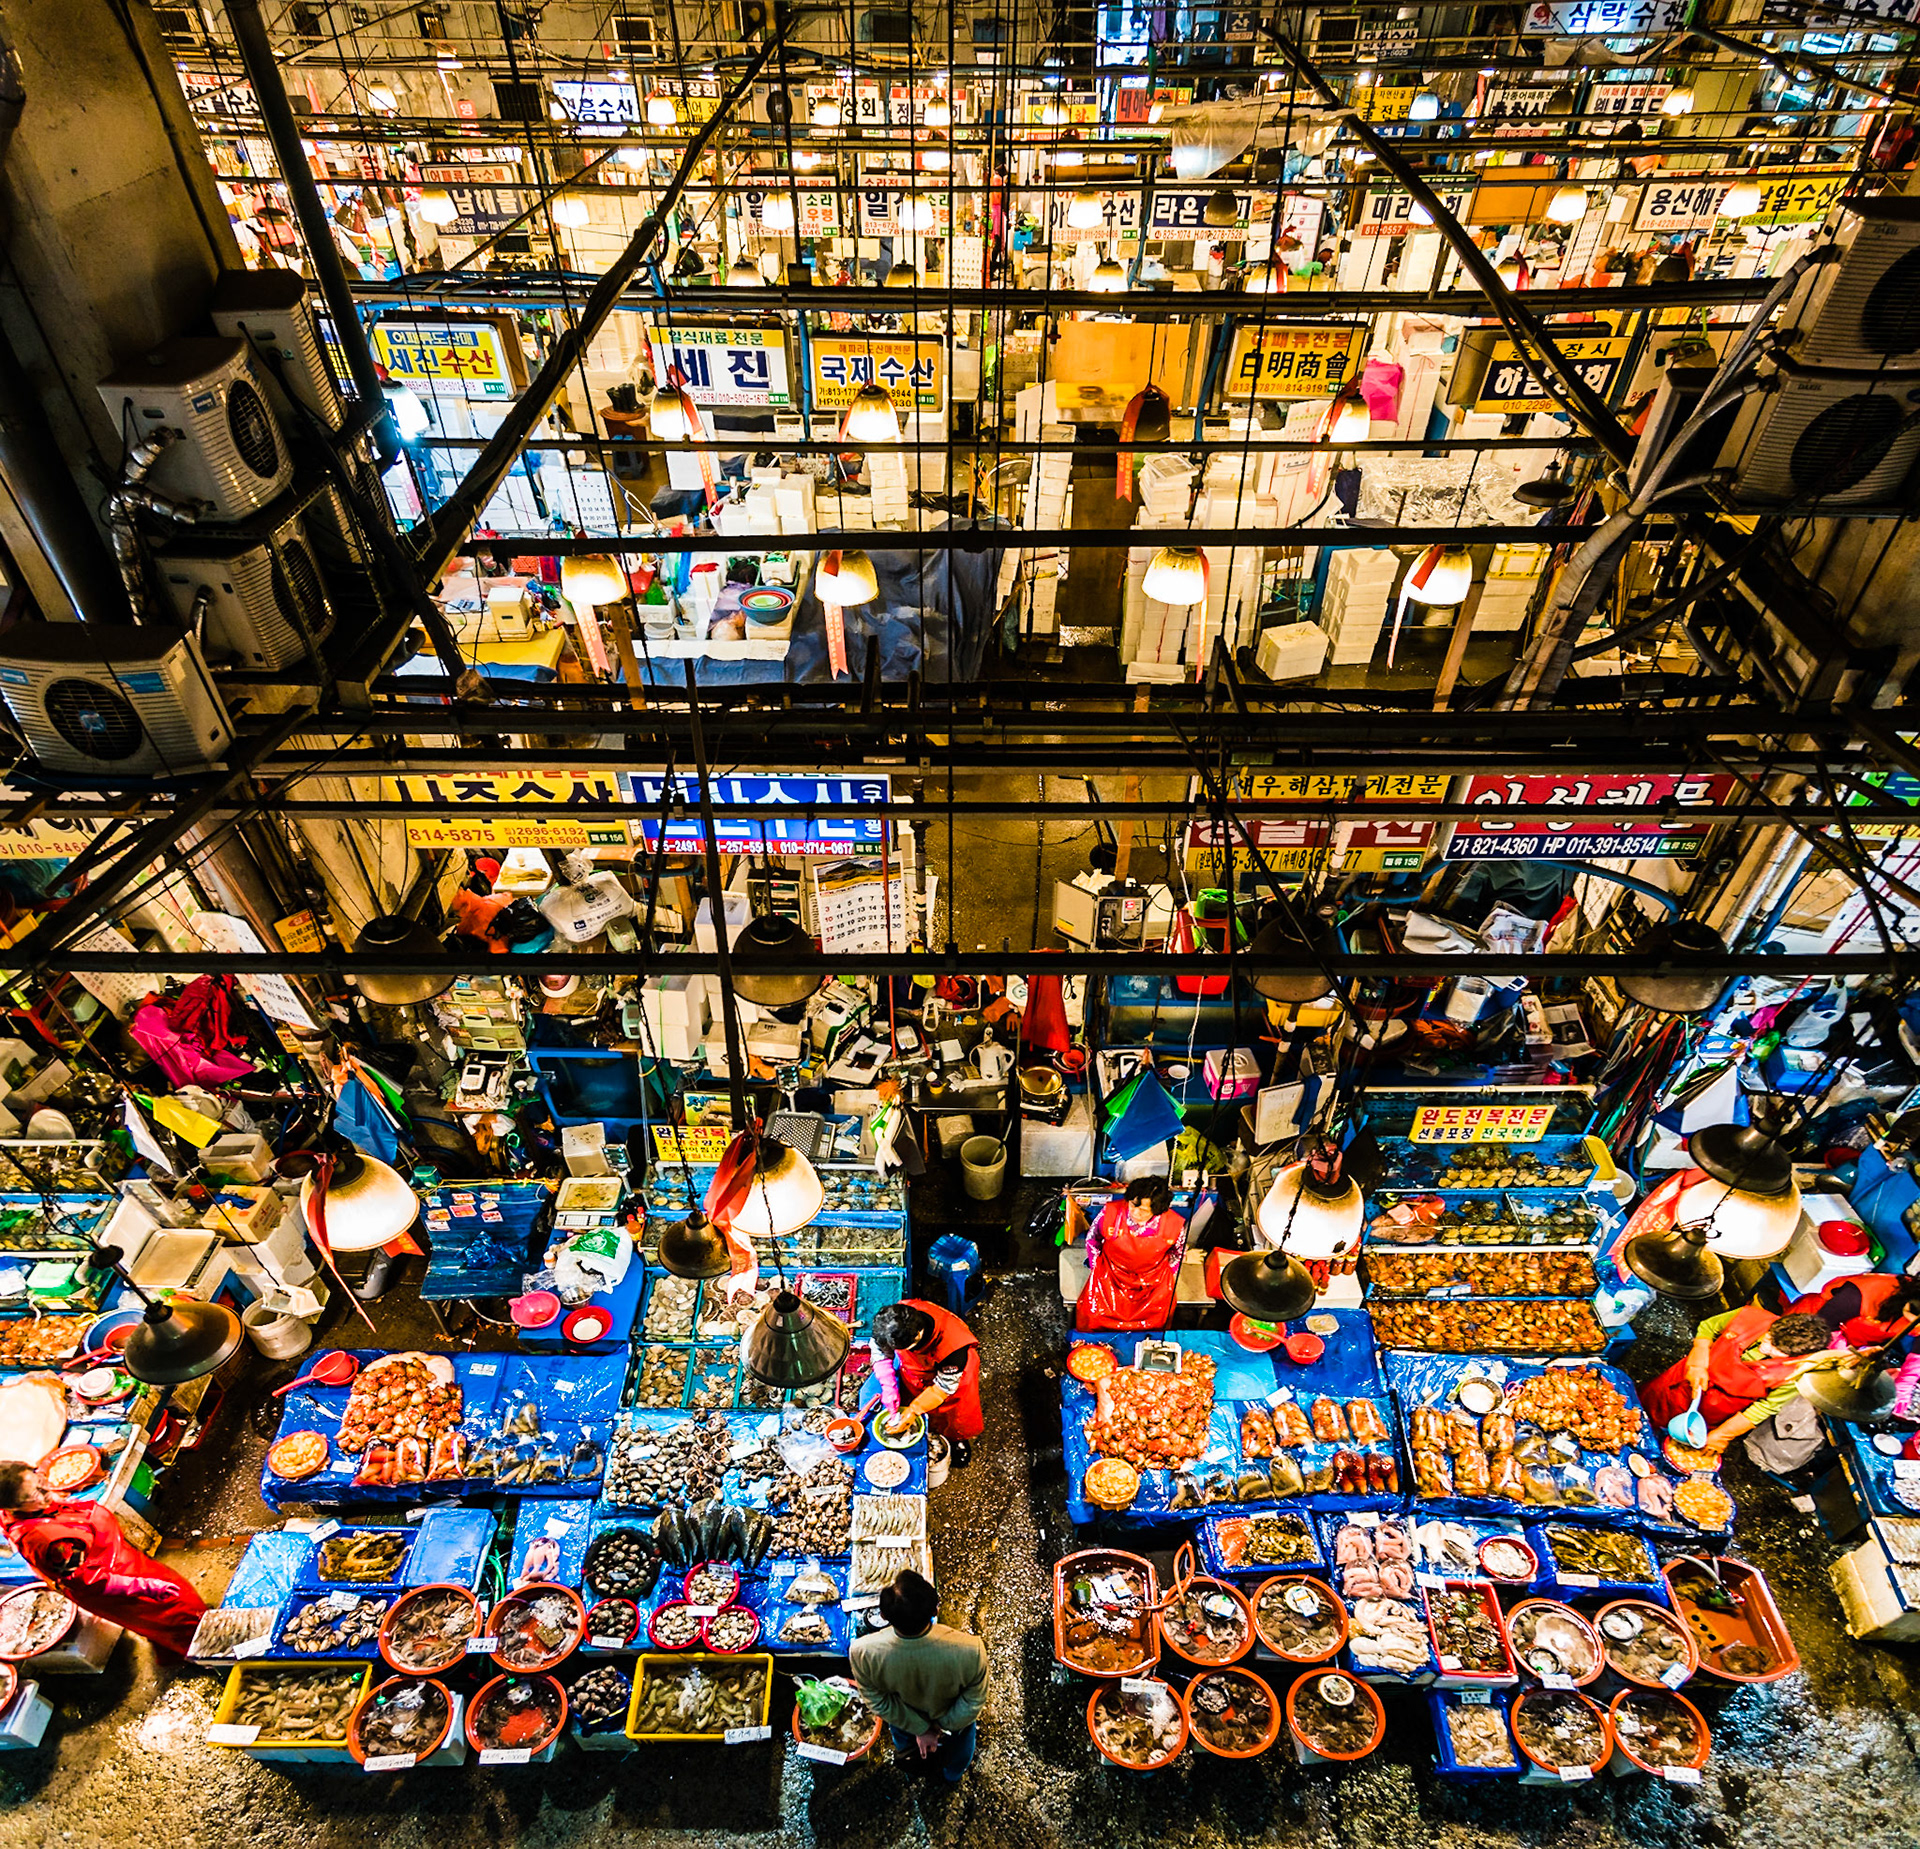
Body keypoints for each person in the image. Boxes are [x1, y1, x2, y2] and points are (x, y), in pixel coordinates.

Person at [0, 1462, 206, 1654]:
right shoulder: (49, 1542)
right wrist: (144, 1587)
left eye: (40, 1480)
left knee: (177, 1607)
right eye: (35, 1493)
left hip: (122, 1562)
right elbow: (89, 1582)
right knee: (174, 1618)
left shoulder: (34, 1508)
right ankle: (203, 1650)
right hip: (117, 1585)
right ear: (14, 1507)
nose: (46, 1490)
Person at [848, 1569, 987, 1783]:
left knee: (912, 1757)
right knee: (956, 1759)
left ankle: (916, 1773)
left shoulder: (862, 1651)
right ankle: (952, 1778)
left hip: (905, 1724)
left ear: (884, 1616)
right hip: (954, 1727)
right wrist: (941, 1728)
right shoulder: (971, 1649)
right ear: (935, 1609)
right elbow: (972, 1700)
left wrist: (922, 1730)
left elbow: (878, 1701)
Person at [1640, 1308, 1836, 1458]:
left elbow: (1763, 1408)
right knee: (1640, 1406)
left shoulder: (1794, 1375)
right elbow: (1708, 1327)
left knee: (1665, 1442)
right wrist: (1698, 1360)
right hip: (1684, 1378)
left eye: (1776, 1350)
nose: (1767, 1346)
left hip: (1714, 1408)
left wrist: (1724, 1435)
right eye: (1769, 1338)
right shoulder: (1749, 1316)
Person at [868, 1300, 983, 1465]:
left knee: (953, 1414)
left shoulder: (953, 1348)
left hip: (952, 1379)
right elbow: (879, 1349)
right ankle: (930, 1427)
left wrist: (914, 1410)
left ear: (917, 1337)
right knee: (915, 1400)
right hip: (917, 1370)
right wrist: (888, 1385)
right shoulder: (893, 1319)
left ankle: (956, 1438)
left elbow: (942, 1389)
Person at [1076, 1177, 1184, 1333]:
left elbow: (1178, 1253)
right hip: (1110, 1274)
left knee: (1157, 1319)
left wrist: (1167, 1274)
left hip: (1153, 1280)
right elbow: (1093, 1239)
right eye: (1133, 1205)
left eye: (1144, 1210)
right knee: (1094, 1313)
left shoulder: (1174, 1224)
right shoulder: (1110, 1213)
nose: (1135, 1212)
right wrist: (1096, 1266)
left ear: (1157, 1209)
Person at [1789, 1272, 1920, 1350]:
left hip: (1847, 1344)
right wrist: (1840, 1352)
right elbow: (1820, 1325)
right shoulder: (1867, 1292)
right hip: (1809, 1326)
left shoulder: (1913, 1321)